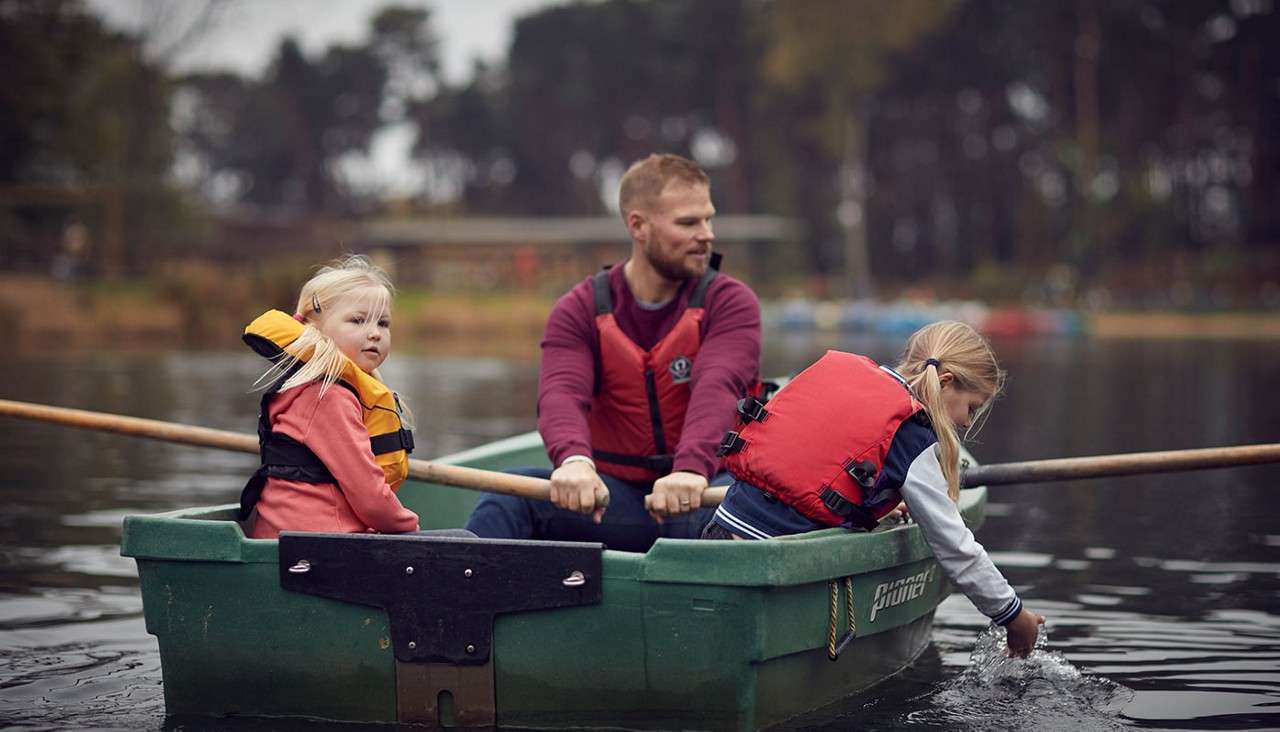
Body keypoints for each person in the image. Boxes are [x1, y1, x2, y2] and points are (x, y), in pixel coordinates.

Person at [465, 153, 762, 551]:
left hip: (708, 488)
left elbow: (718, 387)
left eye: (708, 219)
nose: (706, 234)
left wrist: (690, 470)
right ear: (638, 225)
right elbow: (561, 395)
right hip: (619, 501)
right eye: (688, 223)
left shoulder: (731, 302)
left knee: (717, 522)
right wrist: (573, 462)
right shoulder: (579, 308)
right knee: (508, 500)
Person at [704, 321, 1046, 657]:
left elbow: (820, 462)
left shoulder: (844, 377)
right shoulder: (915, 434)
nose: (967, 422)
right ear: (946, 382)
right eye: (971, 407)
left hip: (717, 536)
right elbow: (955, 547)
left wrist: (878, 502)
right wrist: (1014, 618)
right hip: (776, 568)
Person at [238, 255, 420, 539]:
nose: (374, 334)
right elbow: (369, 496)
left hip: (310, 538)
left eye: (382, 324)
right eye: (358, 321)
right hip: (316, 545)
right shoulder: (327, 396)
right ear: (315, 328)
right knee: (464, 543)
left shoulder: (324, 388)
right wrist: (411, 528)